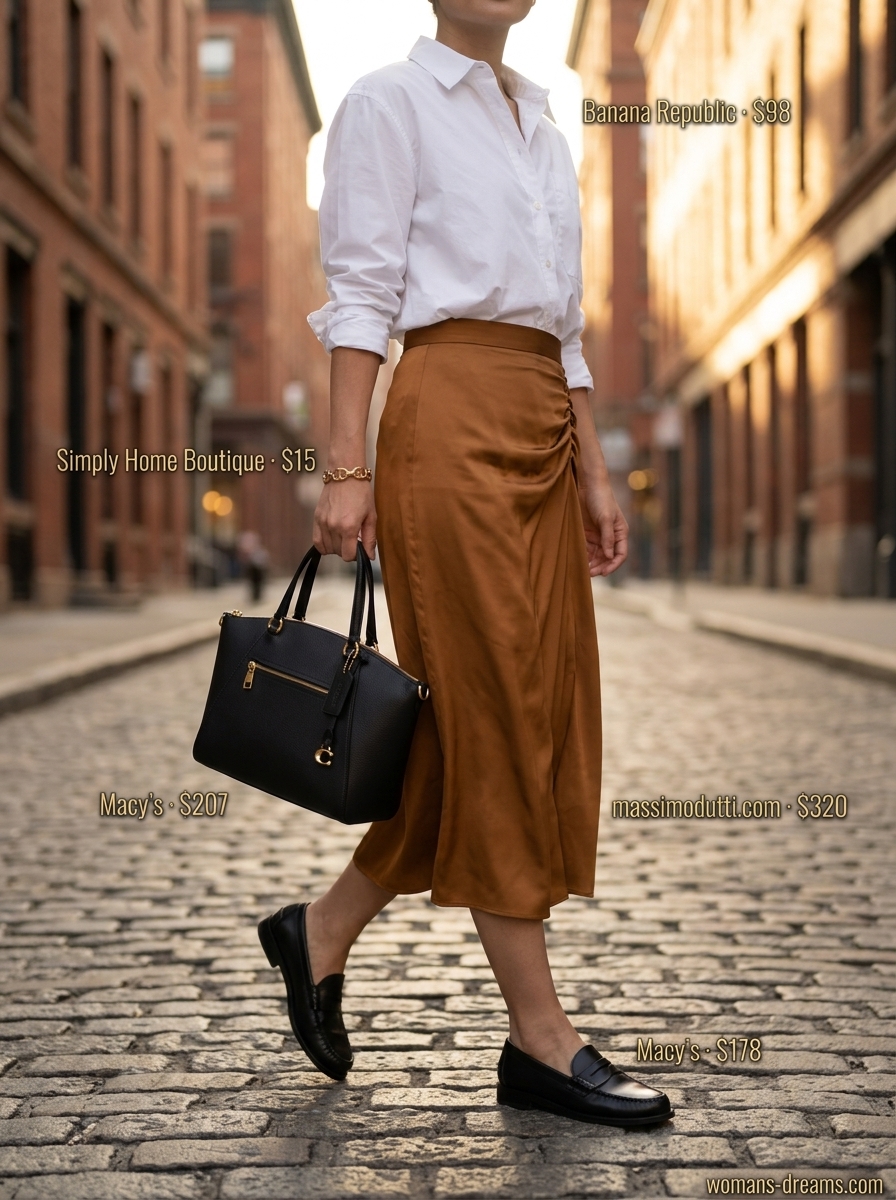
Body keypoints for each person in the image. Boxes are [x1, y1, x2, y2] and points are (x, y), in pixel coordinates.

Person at [257, 0, 673, 1128]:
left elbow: (568, 328)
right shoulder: (388, 103)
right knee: (489, 713)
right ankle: (541, 1040)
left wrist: (593, 471)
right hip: (443, 420)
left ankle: (323, 929)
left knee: (516, 713)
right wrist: (344, 469)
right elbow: (360, 296)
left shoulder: (540, 123)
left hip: (543, 421)